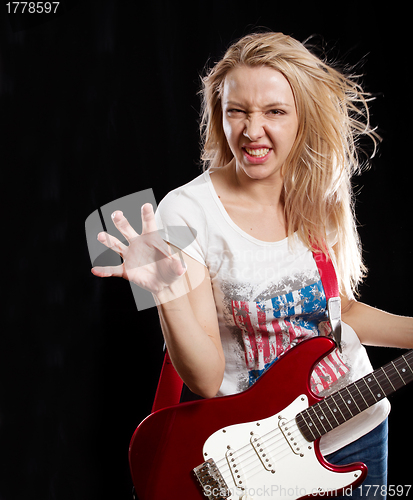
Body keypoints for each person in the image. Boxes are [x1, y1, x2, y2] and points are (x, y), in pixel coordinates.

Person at [91, 32, 413, 499]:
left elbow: (340, 311)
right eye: (237, 111)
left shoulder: (317, 192)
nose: (251, 130)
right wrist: (166, 294)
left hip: (357, 427)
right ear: (219, 115)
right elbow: (203, 376)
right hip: (256, 452)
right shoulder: (183, 213)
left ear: (301, 117)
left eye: (274, 112)